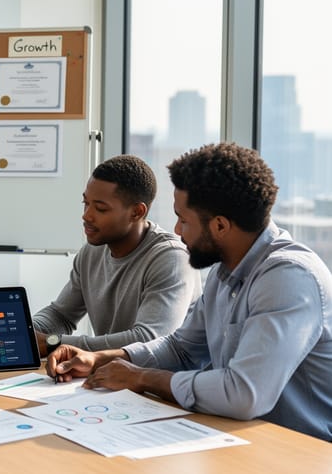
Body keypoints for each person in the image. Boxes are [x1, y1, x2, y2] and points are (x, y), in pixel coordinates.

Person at [47, 142, 332, 441]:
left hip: (300, 451)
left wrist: (142, 378)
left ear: (220, 226)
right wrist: (101, 359)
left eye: (184, 220)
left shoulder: (288, 278)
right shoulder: (225, 271)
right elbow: (181, 349)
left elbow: (244, 393)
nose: (178, 230)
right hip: (239, 439)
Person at [32, 154, 201, 356]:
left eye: (100, 208)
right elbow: (61, 315)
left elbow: (148, 339)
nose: (86, 215)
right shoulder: (92, 251)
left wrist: (53, 343)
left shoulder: (171, 258)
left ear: (137, 212)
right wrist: (24, 332)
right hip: (110, 376)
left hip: (160, 382)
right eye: (85, 203)